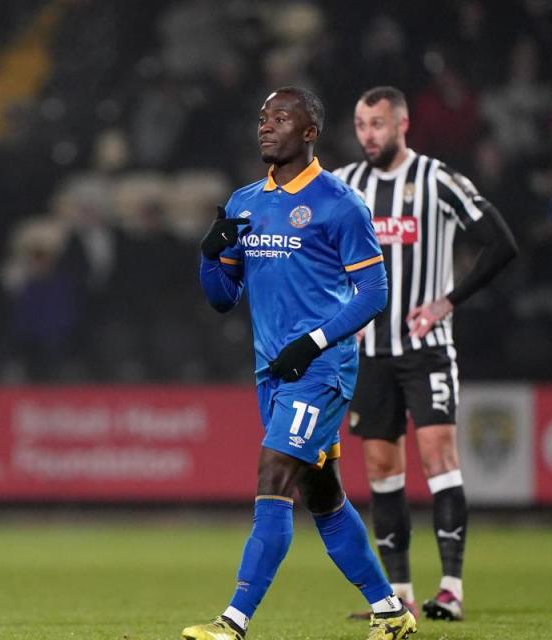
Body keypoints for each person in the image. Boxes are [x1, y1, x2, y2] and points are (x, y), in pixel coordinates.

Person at [184, 87, 418, 640]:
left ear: (310, 131)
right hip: (272, 371)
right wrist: (209, 255)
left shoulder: (339, 203)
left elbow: (372, 293)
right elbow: (222, 297)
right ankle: (390, 610)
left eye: (281, 117)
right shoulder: (244, 201)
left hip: (321, 369)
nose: (266, 126)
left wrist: (313, 341)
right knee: (325, 497)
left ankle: (233, 623)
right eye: (262, 116)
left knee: (273, 475)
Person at [333, 86, 518, 622]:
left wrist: (448, 301)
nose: (368, 135)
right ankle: (399, 597)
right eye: (361, 125)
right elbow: (320, 257)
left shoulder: (437, 180)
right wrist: (347, 312)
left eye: (377, 124)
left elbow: (501, 242)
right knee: (382, 468)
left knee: (439, 457)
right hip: (370, 352)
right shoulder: (347, 185)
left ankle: (452, 590)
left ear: (403, 124)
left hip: (426, 349)